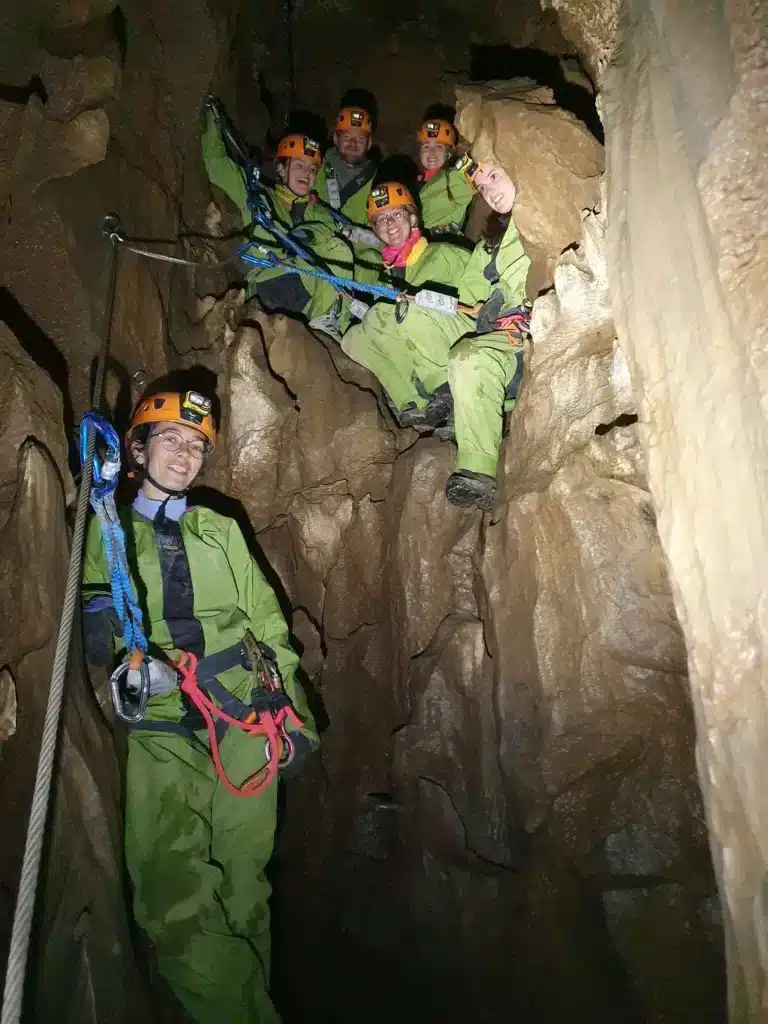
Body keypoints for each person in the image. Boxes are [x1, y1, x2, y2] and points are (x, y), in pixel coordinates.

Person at [82, 389, 318, 1024]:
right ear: (139, 447)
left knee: (246, 888)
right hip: (163, 725)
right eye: (170, 440)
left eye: (195, 446)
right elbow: (96, 626)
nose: (184, 454)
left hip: (245, 712)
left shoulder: (220, 529)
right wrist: (124, 667)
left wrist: (294, 716)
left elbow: (268, 625)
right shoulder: (107, 529)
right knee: (170, 893)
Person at [202, 99, 356, 341]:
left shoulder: (319, 211)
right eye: (299, 165)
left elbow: (329, 228)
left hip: (305, 290)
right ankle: (326, 324)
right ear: (282, 169)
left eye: (312, 169)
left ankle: (329, 324)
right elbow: (216, 163)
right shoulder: (258, 195)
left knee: (341, 251)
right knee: (336, 252)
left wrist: (307, 235)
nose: (306, 173)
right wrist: (212, 119)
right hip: (268, 284)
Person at [340, 181, 474, 425]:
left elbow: (482, 294)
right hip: (423, 339)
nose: (389, 223)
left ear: (413, 220)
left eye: (397, 214)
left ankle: (447, 391)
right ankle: (413, 401)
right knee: (354, 338)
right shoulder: (388, 274)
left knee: (406, 308)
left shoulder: (443, 253)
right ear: (375, 229)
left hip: (463, 337)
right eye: (381, 219)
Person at [444, 159, 531, 510]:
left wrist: (516, 309)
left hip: (521, 337)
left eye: (494, 176)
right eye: (482, 187)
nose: (489, 191)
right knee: (420, 316)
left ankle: (477, 471)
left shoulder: (541, 222)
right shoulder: (491, 243)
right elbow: (468, 295)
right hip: (493, 327)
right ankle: (445, 399)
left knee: (469, 357)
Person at [315, 106, 378, 237]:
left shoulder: (378, 180)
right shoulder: (313, 168)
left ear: (369, 143)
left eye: (360, 139)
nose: (353, 143)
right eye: (347, 137)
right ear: (336, 139)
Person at [416, 118, 475, 237]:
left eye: (439, 146)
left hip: (441, 244)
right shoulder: (412, 184)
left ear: (449, 152)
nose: (432, 152)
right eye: (426, 146)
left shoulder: (456, 177)